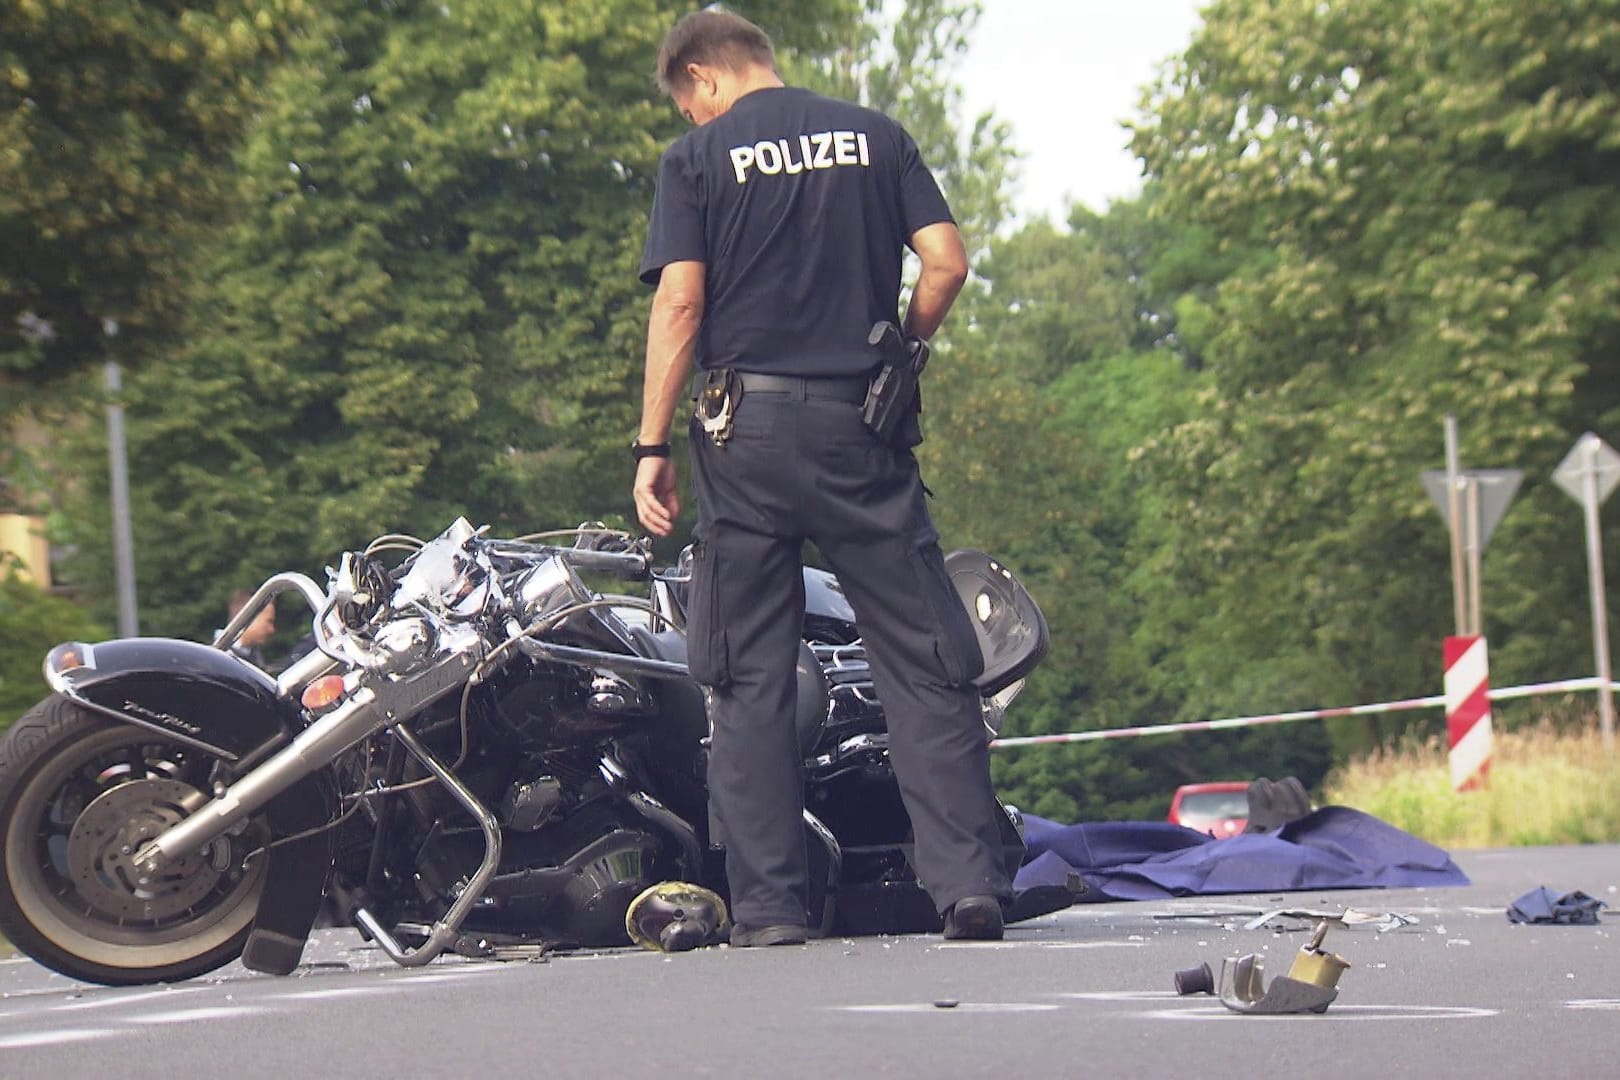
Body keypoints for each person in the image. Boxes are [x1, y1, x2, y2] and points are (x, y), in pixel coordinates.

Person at [632, 10, 1011, 946]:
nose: (692, 120)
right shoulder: (877, 136)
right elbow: (947, 263)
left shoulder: (700, 161)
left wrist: (651, 445)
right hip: (861, 427)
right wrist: (903, 348)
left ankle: (768, 909)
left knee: (747, 672)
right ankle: (967, 887)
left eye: (688, 106)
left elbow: (683, 300)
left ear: (701, 80)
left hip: (744, 432)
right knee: (922, 658)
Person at [222, 588, 277, 670]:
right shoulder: (213, 656)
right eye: (269, 621)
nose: (272, 630)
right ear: (249, 617)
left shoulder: (256, 659)